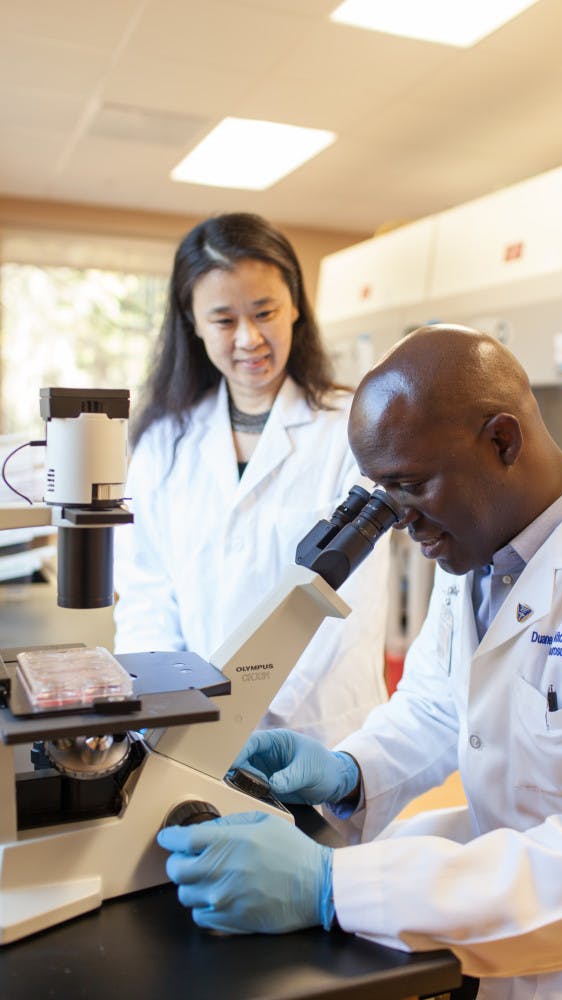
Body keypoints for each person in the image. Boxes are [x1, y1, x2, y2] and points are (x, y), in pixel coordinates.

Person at [157, 325, 562, 1000]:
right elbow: (438, 703)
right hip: (479, 954)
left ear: (502, 441)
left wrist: (332, 886)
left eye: (410, 485)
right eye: (382, 492)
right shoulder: (477, 549)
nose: (400, 521)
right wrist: (348, 772)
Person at [113, 212, 390, 746]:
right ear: (191, 322)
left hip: (317, 726)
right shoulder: (163, 441)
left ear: (294, 307)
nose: (249, 338)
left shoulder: (350, 427)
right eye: (223, 320)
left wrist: (248, 704)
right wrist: (166, 698)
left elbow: (348, 596)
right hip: (185, 723)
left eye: (264, 312)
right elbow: (148, 590)